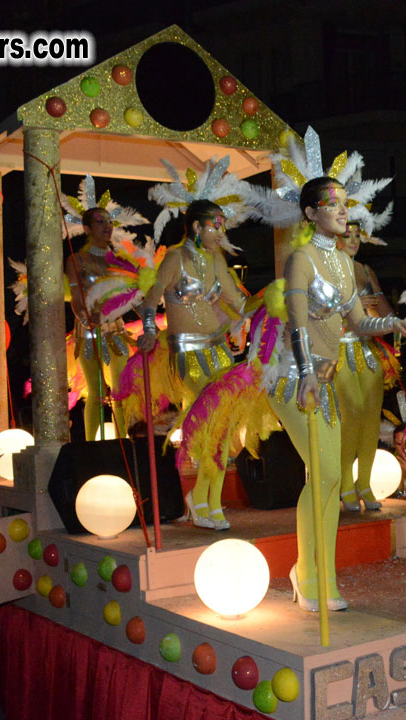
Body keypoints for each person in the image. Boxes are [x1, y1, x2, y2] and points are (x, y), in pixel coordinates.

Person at [252, 128, 406, 609]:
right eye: (333, 204)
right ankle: (310, 574)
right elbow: (298, 323)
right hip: (292, 378)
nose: (344, 211)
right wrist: (305, 374)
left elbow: (359, 322)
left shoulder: (345, 267)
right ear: (310, 213)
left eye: (346, 203)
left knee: (326, 478)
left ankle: (316, 575)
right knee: (322, 474)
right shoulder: (301, 259)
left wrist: (395, 323)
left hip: (321, 376)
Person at [137, 157, 260, 530]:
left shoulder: (216, 258)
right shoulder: (175, 258)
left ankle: (206, 499)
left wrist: (273, 301)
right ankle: (204, 501)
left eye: (223, 224)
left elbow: (238, 303)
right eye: (215, 225)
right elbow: (150, 299)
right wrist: (148, 330)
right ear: (195, 227)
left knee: (223, 425)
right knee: (213, 419)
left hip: (218, 350)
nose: (221, 230)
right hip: (187, 355)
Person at [63, 174, 148, 442]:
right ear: (87, 228)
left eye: (109, 222)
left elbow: (135, 297)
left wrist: (148, 323)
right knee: (98, 393)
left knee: (122, 392)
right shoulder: (77, 259)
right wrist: (86, 317)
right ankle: (91, 448)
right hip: (89, 333)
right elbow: (77, 299)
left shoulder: (120, 259)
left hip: (117, 332)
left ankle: (124, 444)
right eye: (100, 222)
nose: (107, 227)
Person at [335, 179, 400, 512]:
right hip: (340, 351)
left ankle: (365, 483)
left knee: (371, 419)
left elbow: (386, 318)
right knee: (353, 414)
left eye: (358, 235)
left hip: (369, 352)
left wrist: (378, 304)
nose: (354, 240)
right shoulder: (328, 268)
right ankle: (345, 484)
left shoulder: (366, 270)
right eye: (347, 234)